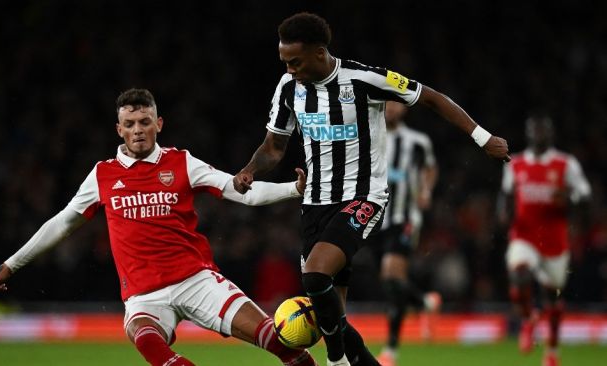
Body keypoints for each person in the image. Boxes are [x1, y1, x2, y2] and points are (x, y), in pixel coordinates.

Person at [232, 12, 510, 366]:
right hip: (315, 204)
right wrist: (250, 170)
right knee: (335, 314)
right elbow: (274, 147)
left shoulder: (364, 79)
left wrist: (482, 137)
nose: (290, 70)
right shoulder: (289, 88)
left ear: (320, 53)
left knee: (315, 273)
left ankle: (335, 362)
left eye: (295, 62)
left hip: (363, 197)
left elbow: (431, 97)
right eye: (285, 62)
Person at [0, 88, 318, 366]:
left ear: (158, 123)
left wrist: (293, 189)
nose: (138, 129)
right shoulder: (103, 174)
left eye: (144, 121)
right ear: (119, 129)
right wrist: (11, 264)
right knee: (147, 339)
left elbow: (240, 191)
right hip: (145, 296)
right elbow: (63, 222)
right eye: (130, 123)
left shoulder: (181, 162)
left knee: (278, 342)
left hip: (196, 280)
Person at [497, 114, 591, 366]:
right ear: (528, 134)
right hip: (524, 235)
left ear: (551, 134)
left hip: (554, 240)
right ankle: (529, 319)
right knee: (520, 275)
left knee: (553, 297)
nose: (539, 134)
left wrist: (569, 200)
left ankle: (552, 351)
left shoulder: (565, 164)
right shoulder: (515, 164)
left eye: (543, 130)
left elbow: (586, 196)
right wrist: (504, 214)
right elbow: (505, 196)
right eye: (534, 130)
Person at [375, 101, 440, 366]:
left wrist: (426, 191)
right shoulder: (372, 136)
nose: (391, 109)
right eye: (387, 104)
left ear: (404, 109)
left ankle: (391, 349)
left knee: (391, 274)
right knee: (390, 281)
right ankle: (424, 302)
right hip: (377, 218)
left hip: (405, 217)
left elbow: (431, 168)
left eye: (396, 104)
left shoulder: (417, 141)